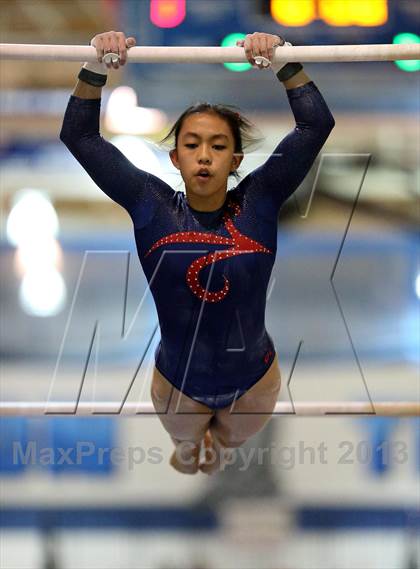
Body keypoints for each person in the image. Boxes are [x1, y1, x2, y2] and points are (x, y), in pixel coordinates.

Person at [60, 30, 335, 475]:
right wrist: (96, 63)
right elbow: (80, 136)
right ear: (175, 158)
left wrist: (282, 59)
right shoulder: (151, 205)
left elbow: (315, 126)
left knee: (222, 449)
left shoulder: (260, 199)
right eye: (192, 145)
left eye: (218, 146)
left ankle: (216, 446)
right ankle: (191, 447)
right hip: (178, 385)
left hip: (254, 381)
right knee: (189, 457)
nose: (204, 156)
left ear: (236, 160)